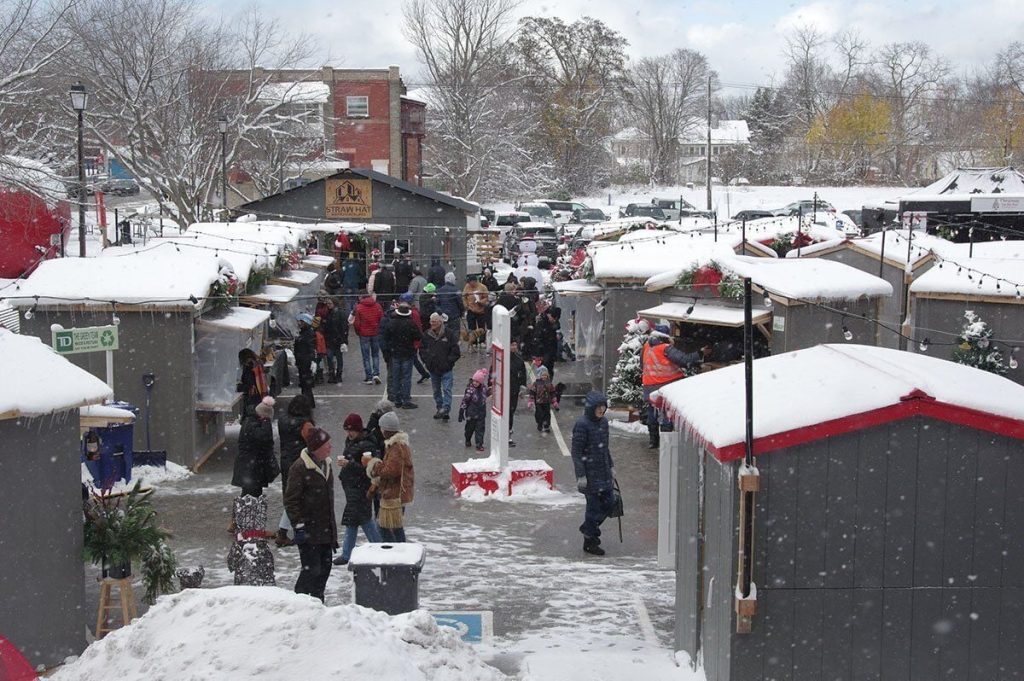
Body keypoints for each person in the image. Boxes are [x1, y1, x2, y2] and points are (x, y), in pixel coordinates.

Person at [284, 426, 338, 602]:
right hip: (309, 532)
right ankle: (298, 603)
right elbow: (291, 500)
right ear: (317, 447)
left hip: (326, 530)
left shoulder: (327, 464)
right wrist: (299, 526)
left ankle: (318, 603)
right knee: (311, 570)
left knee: (325, 570)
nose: (330, 447)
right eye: (327, 444)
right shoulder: (299, 468)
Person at [333, 413, 383, 566]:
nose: (349, 433)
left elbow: (369, 469)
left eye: (351, 430)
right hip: (352, 486)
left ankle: (353, 552)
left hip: (360, 487)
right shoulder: (352, 441)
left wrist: (349, 464)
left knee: (360, 519)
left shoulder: (367, 445)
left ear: (358, 429)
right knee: (356, 519)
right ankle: (353, 552)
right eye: (347, 430)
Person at [571, 391, 616, 556]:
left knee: (610, 503)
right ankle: (590, 541)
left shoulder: (604, 423)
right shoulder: (582, 425)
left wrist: (611, 466)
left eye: (603, 407)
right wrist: (581, 475)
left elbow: (605, 448)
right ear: (591, 407)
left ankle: (588, 528)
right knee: (593, 508)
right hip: (590, 476)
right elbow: (576, 452)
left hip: (604, 472)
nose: (601, 410)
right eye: (598, 407)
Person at [641, 324, 691, 450]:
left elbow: (642, 364)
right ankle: (666, 443)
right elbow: (684, 360)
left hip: (648, 385)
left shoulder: (646, 346)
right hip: (665, 385)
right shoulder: (666, 348)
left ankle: (653, 441)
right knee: (666, 414)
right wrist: (699, 354)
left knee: (652, 413)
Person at [274, 394, 315, 546]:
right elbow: (313, 442)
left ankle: (284, 532)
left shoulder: (283, 420)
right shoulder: (305, 424)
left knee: (291, 496)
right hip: (301, 462)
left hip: (286, 461)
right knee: (302, 496)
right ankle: (297, 531)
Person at [373, 411, 414, 542]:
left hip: (394, 494)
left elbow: (390, 471)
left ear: (386, 430)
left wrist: (374, 465)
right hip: (396, 493)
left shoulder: (396, 447)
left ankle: (395, 549)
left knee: (385, 526)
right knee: (394, 526)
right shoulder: (398, 445)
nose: (380, 430)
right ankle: (400, 548)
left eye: (381, 428)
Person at [232, 397, 278, 498]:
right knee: (251, 495)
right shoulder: (253, 425)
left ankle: (247, 508)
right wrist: (266, 422)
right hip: (251, 468)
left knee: (250, 494)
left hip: (250, 467)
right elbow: (265, 439)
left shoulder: (250, 421)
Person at [380, 301, 422, 409]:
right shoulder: (411, 323)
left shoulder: (391, 323)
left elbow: (385, 338)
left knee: (396, 377)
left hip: (395, 354)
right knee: (406, 378)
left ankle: (397, 399)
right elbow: (418, 336)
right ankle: (406, 400)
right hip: (407, 353)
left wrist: (387, 351)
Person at [226, 494, 276, 586]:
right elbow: (271, 565)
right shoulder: (264, 547)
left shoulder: (238, 545)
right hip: (265, 587)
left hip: (243, 586)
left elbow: (231, 565)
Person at [421, 312, 461, 421]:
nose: (432, 323)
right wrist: (427, 361)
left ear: (440, 322)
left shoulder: (449, 334)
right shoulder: (426, 335)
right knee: (436, 390)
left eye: (434, 321)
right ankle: (440, 408)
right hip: (433, 369)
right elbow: (422, 350)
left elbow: (456, 351)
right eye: (431, 321)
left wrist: (448, 362)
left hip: (446, 369)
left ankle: (445, 409)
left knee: (447, 389)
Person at [352, 292, 384, 385]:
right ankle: (376, 374)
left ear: (362, 297)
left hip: (364, 334)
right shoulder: (377, 306)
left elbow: (357, 323)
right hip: (375, 333)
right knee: (375, 355)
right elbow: (382, 319)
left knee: (366, 357)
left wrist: (358, 332)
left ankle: (369, 377)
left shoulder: (359, 307)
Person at [458, 368, 489, 451]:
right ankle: (467, 439)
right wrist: (461, 410)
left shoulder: (484, 389)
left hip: (481, 414)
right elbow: (465, 400)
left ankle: (479, 444)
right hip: (471, 414)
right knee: (469, 429)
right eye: (474, 381)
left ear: (481, 382)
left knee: (480, 430)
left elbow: (487, 394)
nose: (475, 383)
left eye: (477, 381)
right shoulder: (470, 390)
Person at [322, 298, 349, 383]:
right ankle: (332, 374)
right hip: (330, 339)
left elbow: (344, 327)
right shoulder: (328, 313)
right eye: (327, 304)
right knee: (330, 357)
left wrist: (343, 340)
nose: (328, 305)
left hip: (337, 339)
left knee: (338, 357)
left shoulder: (340, 313)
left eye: (330, 303)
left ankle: (338, 375)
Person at [294, 313, 317, 406]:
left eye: (301, 321)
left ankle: (307, 403)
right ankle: (307, 402)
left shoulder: (309, 333)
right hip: (302, 361)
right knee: (304, 383)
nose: (299, 323)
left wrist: (312, 361)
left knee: (306, 383)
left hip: (305, 362)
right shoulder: (303, 332)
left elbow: (312, 348)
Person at [236, 348, 269, 413]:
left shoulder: (249, 367)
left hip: (253, 398)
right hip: (261, 394)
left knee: (253, 415)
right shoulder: (257, 364)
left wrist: (238, 387)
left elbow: (250, 385)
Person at [462, 275, 490, 349]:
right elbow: (464, 297)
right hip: (471, 310)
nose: (469, 284)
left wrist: (481, 302)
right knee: (471, 327)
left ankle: (482, 341)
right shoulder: (467, 287)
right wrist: (466, 305)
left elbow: (486, 298)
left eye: (470, 282)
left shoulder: (482, 287)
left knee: (481, 327)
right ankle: (473, 342)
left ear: (474, 281)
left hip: (481, 310)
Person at [508, 339, 527, 446]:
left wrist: (522, 387)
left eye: (515, 345)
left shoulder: (519, 359)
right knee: (505, 413)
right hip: (504, 390)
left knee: (510, 412)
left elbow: (523, 374)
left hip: (514, 391)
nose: (514, 347)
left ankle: (508, 435)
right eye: (512, 345)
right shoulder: (502, 358)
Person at [533, 307, 561, 379]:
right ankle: (543, 383)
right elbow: (537, 338)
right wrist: (538, 353)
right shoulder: (542, 323)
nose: (553, 320)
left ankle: (549, 382)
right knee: (543, 369)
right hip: (543, 350)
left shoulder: (553, 323)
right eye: (553, 318)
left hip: (551, 349)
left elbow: (557, 326)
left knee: (549, 369)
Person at [528, 365, 557, 433]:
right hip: (538, 402)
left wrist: (554, 401)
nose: (544, 376)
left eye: (545, 375)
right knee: (539, 413)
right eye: (542, 375)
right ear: (540, 375)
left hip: (547, 401)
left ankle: (546, 425)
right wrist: (531, 401)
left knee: (547, 414)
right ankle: (539, 424)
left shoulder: (549, 383)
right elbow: (532, 392)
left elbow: (552, 392)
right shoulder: (536, 383)